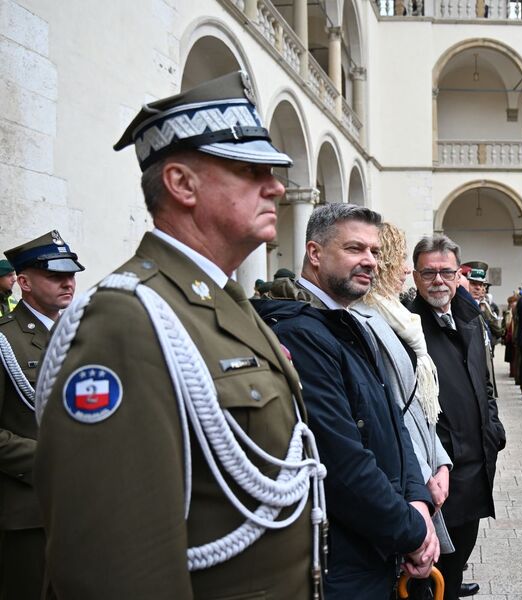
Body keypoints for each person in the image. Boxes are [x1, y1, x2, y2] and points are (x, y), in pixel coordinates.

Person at [33, 72, 325, 598]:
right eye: (249, 169)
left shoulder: (224, 301)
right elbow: (117, 568)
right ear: (181, 184)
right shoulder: (127, 321)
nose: (277, 186)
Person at [260, 204, 439, 597]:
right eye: (355, 249)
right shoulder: (300, 331)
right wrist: (412, 531)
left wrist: (418, 500)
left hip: (378, 549)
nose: (370, 261)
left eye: (375, 251)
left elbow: (393, 423)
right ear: (315, 254)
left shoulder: (348, 321)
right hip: (343, 562)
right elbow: (341, 464)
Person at [409, 234, 506, 600]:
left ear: (458, 275)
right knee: (428, 578)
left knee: (455, 566)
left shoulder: (468, 317)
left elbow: (485, 382)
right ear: (416, 277)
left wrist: (494, 430)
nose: (439, 280)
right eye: (429, 272)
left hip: (476, 469)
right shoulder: (409, 328)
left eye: (446, 272)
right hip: (439, 478)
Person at [354, 222, 455, 558]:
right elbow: (394, 409)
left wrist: (441, 462)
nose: (406, 270)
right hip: (407, 470)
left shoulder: (400, 317)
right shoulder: (368, 319)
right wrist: (424, 474)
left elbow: (424, 408)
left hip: (426, 460)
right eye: (399, 258)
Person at [0, 231, 84, 599]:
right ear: (23, 282)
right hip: (28, 510)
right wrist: (54, 459)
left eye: (71, 274)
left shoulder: (81, 333)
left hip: (82, 504)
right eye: (55, 275)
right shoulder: (5, 341)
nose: (68, 282)